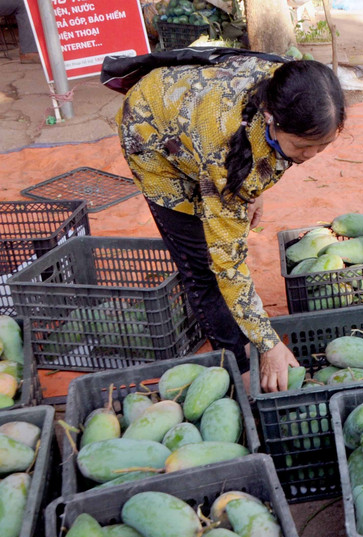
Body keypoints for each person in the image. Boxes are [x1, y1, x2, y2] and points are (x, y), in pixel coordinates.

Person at [116, 55, 345, 392]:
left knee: (224, 217)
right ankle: (237, 363)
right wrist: (268, 344)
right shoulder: (224, 152)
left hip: (195, 122)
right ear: (270, 117)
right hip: (151, 133)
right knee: (202, 265)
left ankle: (245, 339)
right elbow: (228, 264)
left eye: (322, 145)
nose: (311, 155)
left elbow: (260, 155)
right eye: (303, 146)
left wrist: (257, 187)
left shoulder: (291, 87)